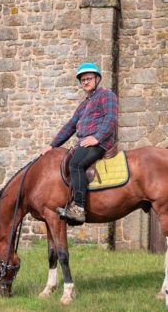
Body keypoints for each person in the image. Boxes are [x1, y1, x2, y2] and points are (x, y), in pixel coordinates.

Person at [41, 62, 118, 224]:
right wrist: (52, 145)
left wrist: (97, 138)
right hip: (86, 142)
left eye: (89, 78)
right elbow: (70, 126)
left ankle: (79, 208)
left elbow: (111, 119)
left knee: (75, 164)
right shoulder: (83, 105)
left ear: (97, 79)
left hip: (99, 142)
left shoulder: (106, 94)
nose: (85, 82)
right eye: (82, 80)